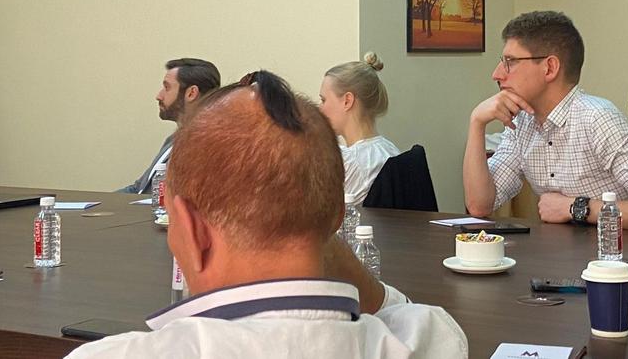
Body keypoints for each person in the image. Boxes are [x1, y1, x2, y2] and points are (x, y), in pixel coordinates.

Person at [69, 70, 468, 358]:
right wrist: (327, 242)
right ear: (336, 219)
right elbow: (402, 313)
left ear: (191, 229)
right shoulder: (428, 342)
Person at [463, 11, 628, 230]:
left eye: (510, 62)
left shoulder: (598, 118)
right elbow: (480, 206)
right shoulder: (522, 122)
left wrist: (575, 208)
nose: (497, 74)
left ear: (550, 68)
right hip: (560, 248)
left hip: (617, 248)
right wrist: (477, 123)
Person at [118, 58, 220, 194]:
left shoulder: (207, 146)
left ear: (191, 93)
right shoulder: (173, 140)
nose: (159, 96)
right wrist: (98, 201)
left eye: (167, 88)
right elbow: (139, 189)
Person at [319, 52, 401, 204]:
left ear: (347, 101)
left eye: (323, 100)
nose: (320, 109)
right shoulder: (391, 150)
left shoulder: (349, 161)